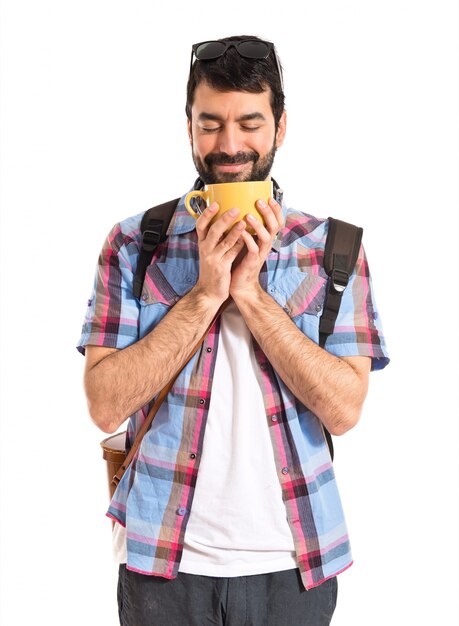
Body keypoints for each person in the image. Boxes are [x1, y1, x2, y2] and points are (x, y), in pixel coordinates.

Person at [78, 35, 389, 626]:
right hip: (162, 566)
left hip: (295, 566)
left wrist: (248, 292)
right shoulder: (133, 244)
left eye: (250, 122)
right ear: (189, 127)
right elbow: (103, 403)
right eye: (210, 123)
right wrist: (205, 295)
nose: (229, 145)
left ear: (280, 126)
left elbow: (345, 411)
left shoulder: (334, 249)